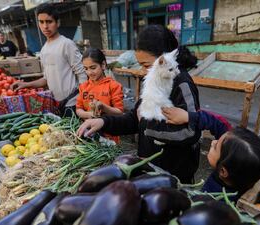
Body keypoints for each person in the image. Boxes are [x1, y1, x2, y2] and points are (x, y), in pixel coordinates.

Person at [77, 25, 201, 183]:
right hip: (150, 167)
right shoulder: (154, 80)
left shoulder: (182, 84)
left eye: (147, 65)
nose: (143, 71)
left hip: (174, 175)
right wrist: (103, 122)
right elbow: (134, 118)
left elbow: (191, 132)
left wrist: (148, 126)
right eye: (141, 65)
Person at [162, 107, 260, 200]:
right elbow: (218, 123)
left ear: (223, 171)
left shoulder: (211, 198)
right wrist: (189, 116)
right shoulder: (233, 155)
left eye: (215, 147)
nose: (213, 142)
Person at [12, 4, 87, 117]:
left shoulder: (66, 44)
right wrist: (25, 84)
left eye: (49, 21)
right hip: (57, 104)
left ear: (57, 22)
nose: (45, 26)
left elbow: (82, 74)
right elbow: (46, 79)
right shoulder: (44, 49)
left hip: (73, 103)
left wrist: (82, 100)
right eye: (41, 22)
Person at [76, 48, 124, 143]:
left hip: (109, 133)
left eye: (93, 68)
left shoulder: (113, 86)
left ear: (103, 65)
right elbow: (78, 109)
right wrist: (89, 114)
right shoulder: (83, 87)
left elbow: (119, 112)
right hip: (89, 134)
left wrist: (103, 107)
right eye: (86, 69)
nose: (89, 72)